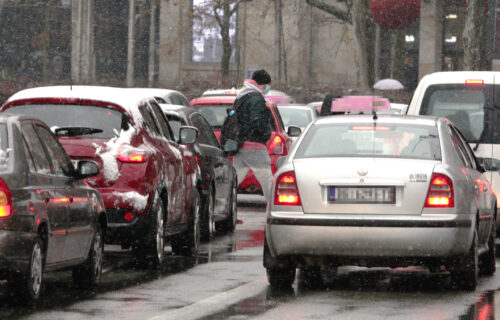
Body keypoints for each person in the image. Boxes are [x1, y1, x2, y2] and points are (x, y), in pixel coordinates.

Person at [233, 69, 274, 202]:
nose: (267, 88)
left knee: (233, 181)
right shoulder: (256, 98)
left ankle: (224, 206)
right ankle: (274, 207)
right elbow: (257, 121)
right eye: (267, 85)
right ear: (261, 84)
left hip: (241, 144)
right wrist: (266, 133)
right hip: (255, 145)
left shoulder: (242, 96)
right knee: (267, 180)